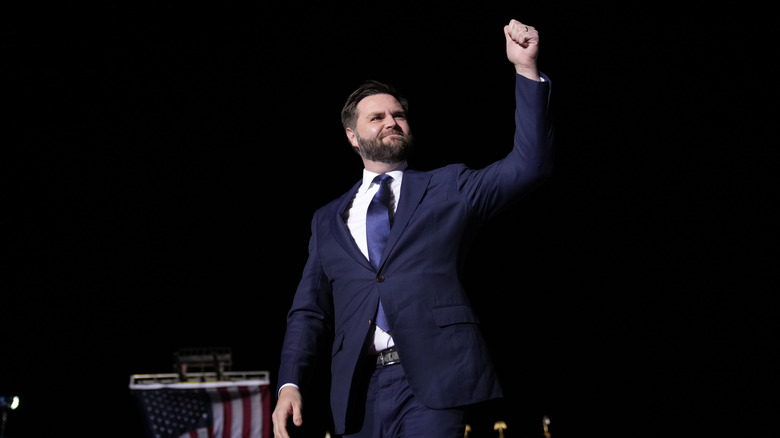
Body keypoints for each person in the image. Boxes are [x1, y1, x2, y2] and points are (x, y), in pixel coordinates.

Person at [272, 18, 554, 438]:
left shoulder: (448, 186)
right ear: (352, 136)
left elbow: (528, 165)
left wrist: (525, 70)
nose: (392, 121)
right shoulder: (327, 219)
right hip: (357, 390)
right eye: (377, 117)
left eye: (398, 114)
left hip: (433, 381)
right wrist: (290, 383)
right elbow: (308, 311)